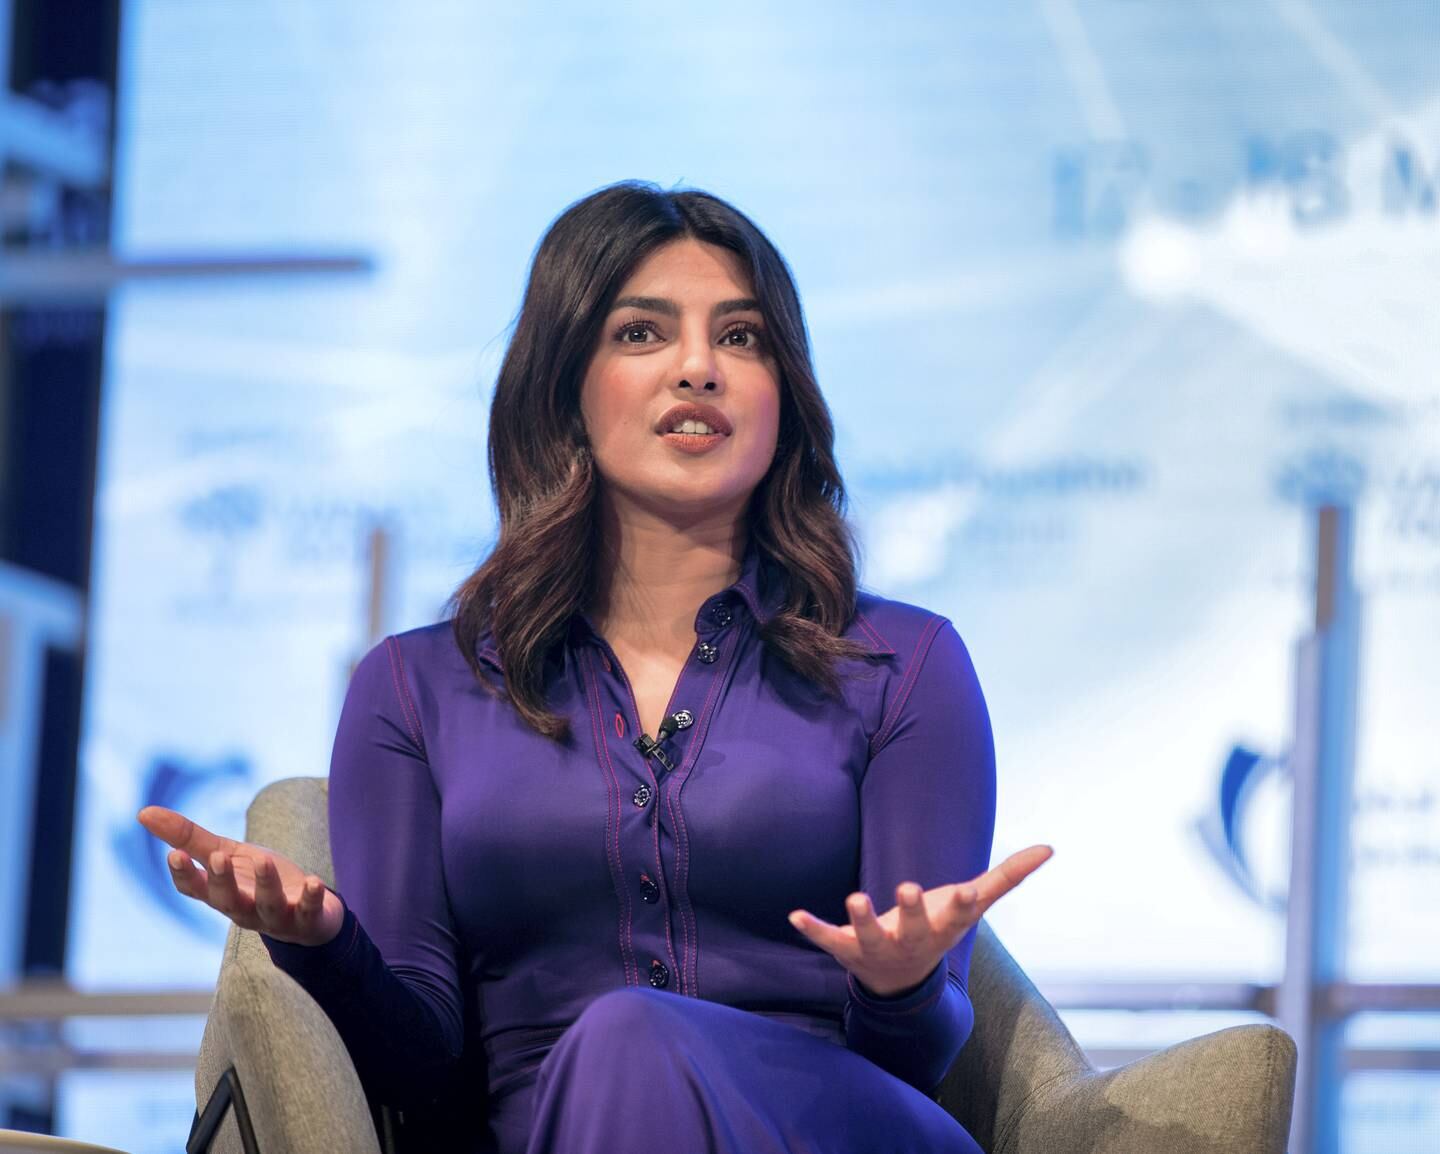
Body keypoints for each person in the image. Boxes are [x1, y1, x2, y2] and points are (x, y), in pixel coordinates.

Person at [138, 180, 1052, 1153]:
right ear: (565, 380)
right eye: (643, 334)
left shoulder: (901, 665)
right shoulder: (416, 689)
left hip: (835, 1128)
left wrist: (902, 979)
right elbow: (420, 1080)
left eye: (741, 337)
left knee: (628, 1036)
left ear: (784, 389)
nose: (699, 367)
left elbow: (921, 1062)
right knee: (619, 1047)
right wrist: (325, 950)